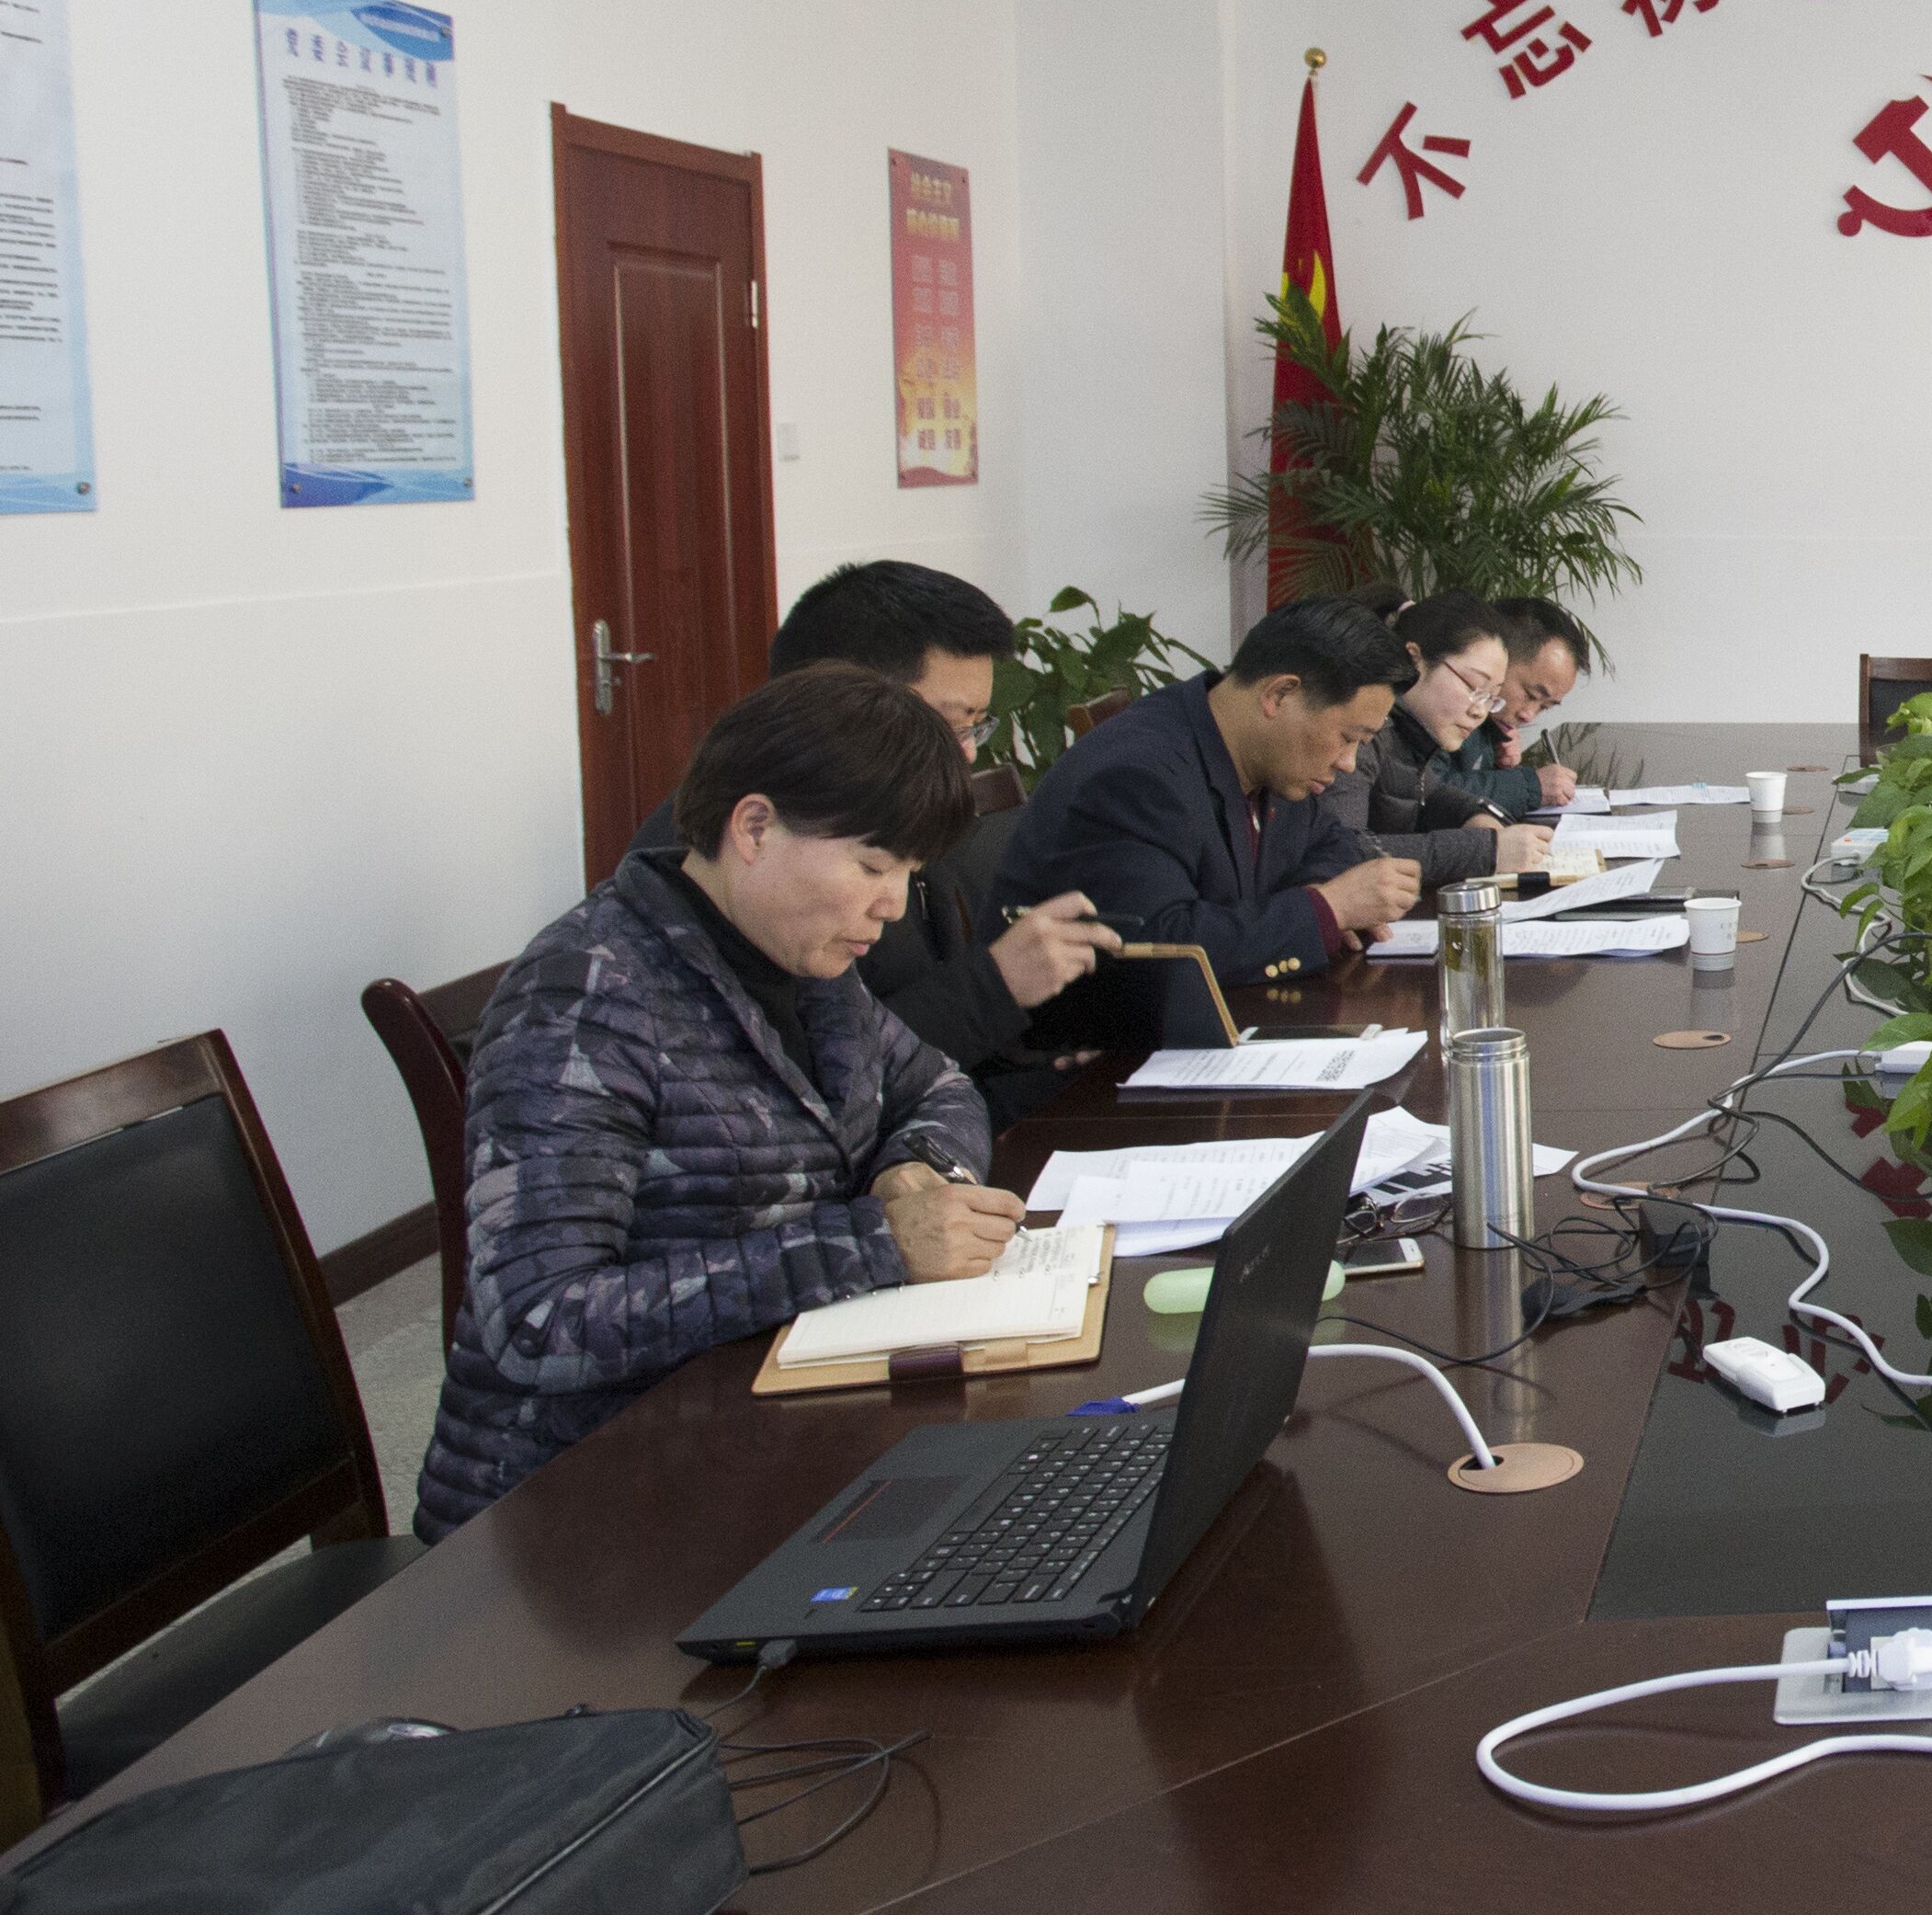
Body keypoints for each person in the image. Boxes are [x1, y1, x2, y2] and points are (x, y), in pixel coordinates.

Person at [423, 666, 1025, 1533]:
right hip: (579, 1506)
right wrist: (876, 1244)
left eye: (908, 873)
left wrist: (914, 1169)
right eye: (872, 865)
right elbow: (539, 1323)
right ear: (754, 827)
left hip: (761, 1424)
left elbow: (938, 1085)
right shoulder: (585, 998)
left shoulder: (803, 958)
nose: (892, 906)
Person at [628, 560, 1119, 1118]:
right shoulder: (731, 865)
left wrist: (1043, 1048)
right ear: (846, 695)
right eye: (946, 723)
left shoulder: (887, 808)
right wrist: (995, 986)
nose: (966, 753)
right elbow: (805, 1090)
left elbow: (911, 1070)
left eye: (975, 725)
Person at [994, 597, 1424, 1043]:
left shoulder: (1271, 756)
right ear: (1279, 695)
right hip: (1091, 1065)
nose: (1349, 763)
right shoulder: (1140, 773)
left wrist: (1318, 893)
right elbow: (1163, 952)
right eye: (1348, 737)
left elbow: (1332, 842)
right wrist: (1326, 910)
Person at [1324, 588, 1555, 885]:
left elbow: (1432, 793)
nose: (1479, 711)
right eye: (1474, 688)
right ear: (1414, 660)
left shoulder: (1410, 735)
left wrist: (1475, 816)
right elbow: (1342, 852)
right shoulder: (1361, 736)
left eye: (1491, 697)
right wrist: (1487, 850)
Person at [1459, 593, 1597, 814]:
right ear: (1497, 657)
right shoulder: (1445, 709)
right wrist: (1530, 786)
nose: (1529, 715)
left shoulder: (1489, 724)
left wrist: (1498, 762)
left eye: (1545, 707)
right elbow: (1429, 793)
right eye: (1531, 695)